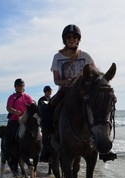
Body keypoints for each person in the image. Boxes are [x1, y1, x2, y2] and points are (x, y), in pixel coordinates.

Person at [40, 24, 97, 162]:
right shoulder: (57, 57)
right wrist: (67, 82)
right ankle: (47, 145)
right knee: (47, 112)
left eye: (75, 37)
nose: (72, 39)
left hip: (83, 93)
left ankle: (102, 145)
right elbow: (56, 79)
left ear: (78, 40)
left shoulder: (85, 56)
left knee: (100, 109)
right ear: (65, 39)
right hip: (65, 92)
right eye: (69, 37)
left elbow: (94, 75)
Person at [3, 78, 33, 161]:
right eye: (19, 85)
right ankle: (7, 153)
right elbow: (8, 108)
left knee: (37, 130)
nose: (21, 87)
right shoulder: (12, 97)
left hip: (25, 120)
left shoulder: (27, 97)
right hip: (14, 120)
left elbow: (32, 107)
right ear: (15, 87)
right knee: (8, 134)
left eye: (22, 85)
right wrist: (15, 112)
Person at [38, 85, 53, 165]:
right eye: (49, 91)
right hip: (44, 122)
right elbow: (41, 112)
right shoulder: (41, 100)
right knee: (46, 138)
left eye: (50, 91)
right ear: (46, 92)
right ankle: (43, 156)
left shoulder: (51, 99)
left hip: (51, 121)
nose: (50, 92)